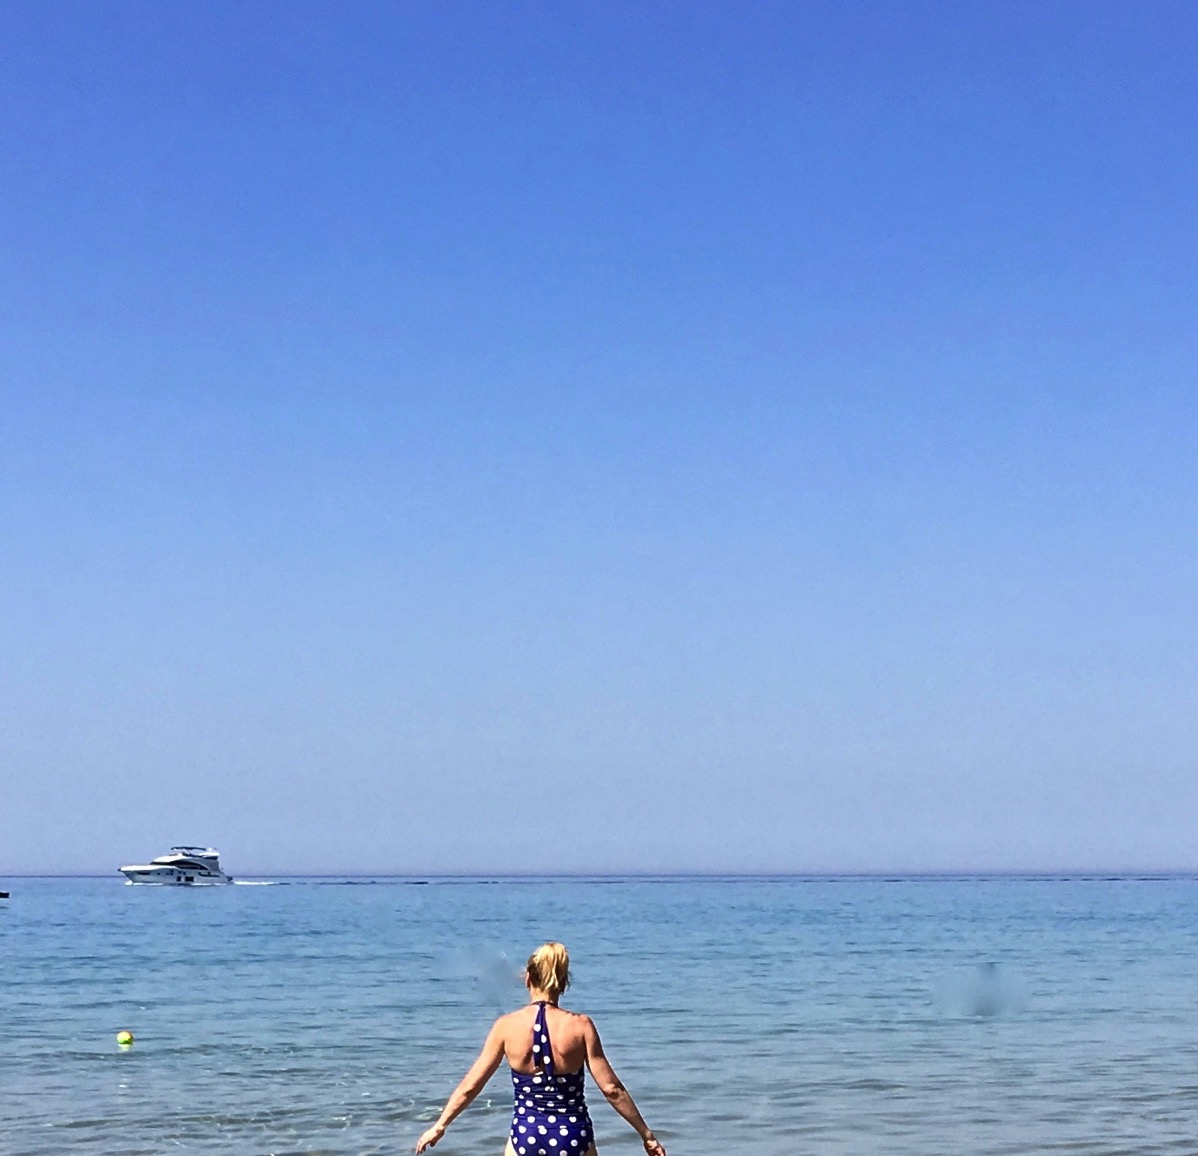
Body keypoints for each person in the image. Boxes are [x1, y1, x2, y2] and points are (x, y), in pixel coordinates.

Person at [416, 942, 666, 1156]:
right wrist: (646, 1134)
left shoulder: (506, 1026)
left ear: (528, 979)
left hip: (527, 1134)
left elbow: (471, 1086)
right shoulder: (581, 1027)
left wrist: (440, 1125)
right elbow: (612, 1090)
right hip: (573, 1135)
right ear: (563, 982)